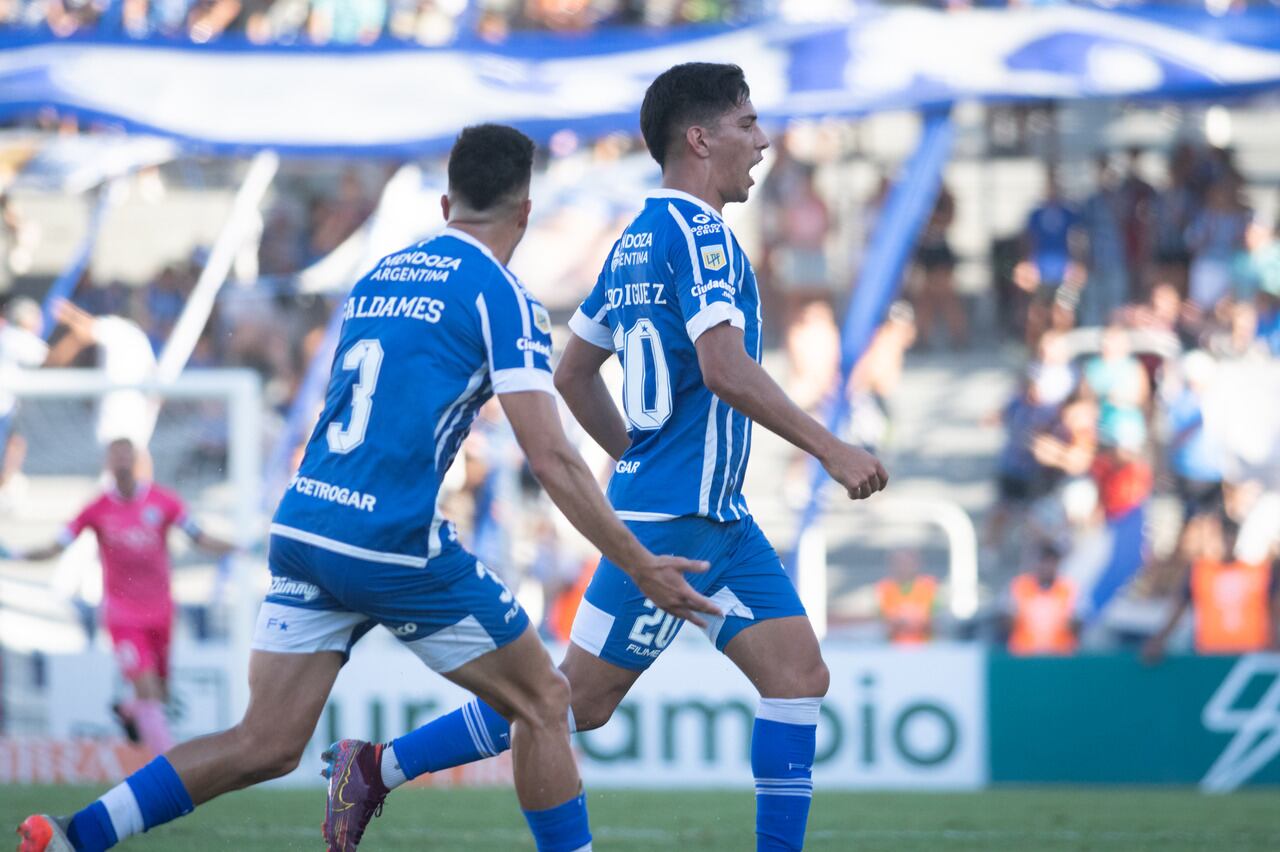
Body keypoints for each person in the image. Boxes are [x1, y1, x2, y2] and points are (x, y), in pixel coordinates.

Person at [16, 124, 715, 852]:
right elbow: (552, 458)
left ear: (446, 203)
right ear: (526, 212)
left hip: (306, 525)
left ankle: (74, 834)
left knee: (266, 740)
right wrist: (638, 561)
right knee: (544, 700)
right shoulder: (501, 295)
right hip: (388, 539)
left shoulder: (381, 274)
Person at [314, 64, 888, 852]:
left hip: (713, 514)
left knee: (797, 677)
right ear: (700, 138)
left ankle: (377, 766)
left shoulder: (634, 242)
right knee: (572, 701)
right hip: (673, 522)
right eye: (748, 125)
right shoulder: (703, 236)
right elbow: (722, 367)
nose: (762, 142)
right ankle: (377, 765)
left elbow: (573, 370)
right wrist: (830, 446)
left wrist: (636, 457)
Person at [0, 438, 236, 755]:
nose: (123, 462)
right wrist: (16, 553)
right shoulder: (96, 509)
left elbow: (199, 536)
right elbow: (57, 545)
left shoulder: (164, 502)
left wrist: (241, 547)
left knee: (160, 692)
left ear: (138, 461)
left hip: (162, 611)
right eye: (117, 456)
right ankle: (168, 764)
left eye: (128, 455)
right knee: (148, 689)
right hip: (123, 614)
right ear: (108, 463)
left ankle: (129, 711)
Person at [1143, 517, 1279, 661]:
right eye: (1223, 537)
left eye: (1231, 536)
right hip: (1211, 654)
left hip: (1251, 654)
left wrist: (1275, 644)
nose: (1227, 542)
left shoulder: (1258, 571)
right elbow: (1178, 609)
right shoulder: (1199, 571)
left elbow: (1273, 610)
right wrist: (1160, 639)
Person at [1006, 540, 1079, 656]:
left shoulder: (1068, 589)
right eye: (1043, 561)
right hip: (1025, 655)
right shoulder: (1020, 586)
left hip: (1059, 655)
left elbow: (1076, 623)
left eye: (1051, 562)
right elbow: (1008, 621)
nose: (1047, 567)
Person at [876, 549, 936, 645]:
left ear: (917, 564)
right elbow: (884, 624)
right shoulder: (884, 588)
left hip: (924, 648)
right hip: (893, 649)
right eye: (899, 563)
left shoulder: (929, 586)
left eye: (908, 563)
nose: (903, 567)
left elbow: (934, 621)